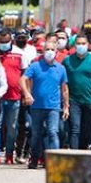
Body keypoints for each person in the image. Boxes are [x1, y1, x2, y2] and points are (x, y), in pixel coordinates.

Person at [20, 41, 69, 169]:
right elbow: (23, 79)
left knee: (53, 132)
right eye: (47, 49)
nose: (49, 52)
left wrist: (66, 106)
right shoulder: (35, 66)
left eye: (52, 49)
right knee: (36, 133)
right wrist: (27, 94)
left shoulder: (60, 68)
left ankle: (55, 160)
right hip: (37, 107)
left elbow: (64, 89)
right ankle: (35, 159)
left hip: (53, 107)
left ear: (56, 52)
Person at [62, 35, 91, 150]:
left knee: (86, 130)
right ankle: (75, 154)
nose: (81, 46)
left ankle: (82, 151)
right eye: (78, 43)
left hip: (89, 100)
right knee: (75, 128)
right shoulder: (67, 61)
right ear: (75, 45)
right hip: (73, 100)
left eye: (83, 43)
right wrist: (65, 102)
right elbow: (63, 82)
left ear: (88, 45)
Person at [0, 30, 24, 165]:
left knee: (12, 126)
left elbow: (25, 74)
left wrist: (25, 93)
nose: (3, 44)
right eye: (1, 42)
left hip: (14, 96)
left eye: (6, 42)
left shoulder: (20, 53)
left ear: (11, 41)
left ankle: (9, 153)